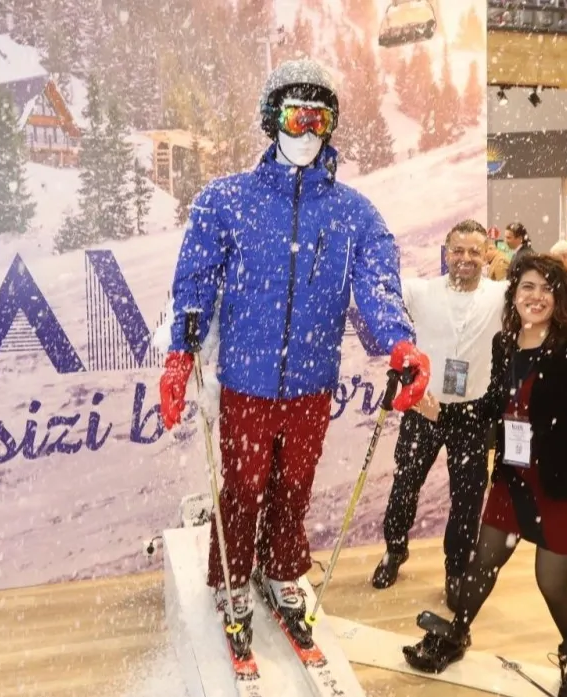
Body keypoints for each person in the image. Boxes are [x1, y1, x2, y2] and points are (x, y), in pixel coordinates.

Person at [158, 58, 432, 656]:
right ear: (271, 119)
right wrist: (181, 353)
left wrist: (399, 341)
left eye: (319, 119)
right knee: (243, 486)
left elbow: (377, 287)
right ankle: (232, 577)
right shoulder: (226, 200)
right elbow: (196, 281)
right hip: (247, 380)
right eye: (294, 116)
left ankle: (282, 569)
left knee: (294, 485)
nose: (306, 131)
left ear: (332, 126)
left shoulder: (354, 213)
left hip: (311, 380)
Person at [402, 254, 567, 696]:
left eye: (546, 288)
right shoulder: (505, 344)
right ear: (514, 295)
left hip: (566, 480)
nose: (536, 297)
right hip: (515, 476)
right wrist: (442, 412)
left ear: (559, 297)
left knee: (551, 581)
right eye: (527, 287)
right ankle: (457, 633)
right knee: (483, 562)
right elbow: (491, 406)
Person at [372, 226, 567, 610]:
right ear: (446, 252)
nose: (465, 258)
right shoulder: (420, 291)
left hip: (472, 415)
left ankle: (456, 570)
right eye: (458, 250)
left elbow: (562, 285)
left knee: (467, 499)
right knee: (404, 486)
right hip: (425, 410)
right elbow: (376, 290)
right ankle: (394, 549)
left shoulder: (501, 294)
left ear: (486, 254)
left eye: (474, 251)